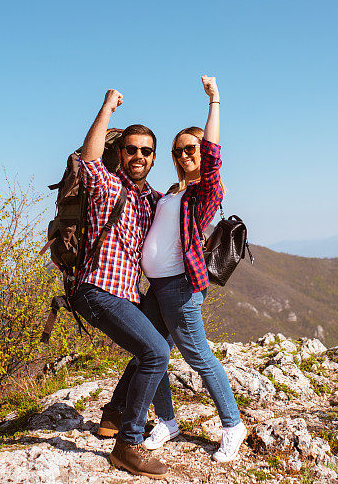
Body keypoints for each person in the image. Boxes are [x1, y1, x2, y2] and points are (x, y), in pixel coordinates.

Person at [100, 76, 247, 463]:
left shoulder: (204, 191)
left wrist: (214, 101)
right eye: (178, 151)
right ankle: (167, 421)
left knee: (198, 356)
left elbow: (213, 158)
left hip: (181, 287)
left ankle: (232, 425)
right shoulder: (171, 192)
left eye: (191, 149)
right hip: (158, 288)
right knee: (152, 352)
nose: (184, 156)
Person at [71, 89, 170, 479]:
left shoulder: (152, 200)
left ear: (153, 157)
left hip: (127, 294)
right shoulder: (107, 186)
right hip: (97, 290)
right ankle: (127, 444)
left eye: (146, 151)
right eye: (131, 149)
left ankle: (113, 414)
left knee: (159, 335)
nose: (139, 157)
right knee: (156, 354)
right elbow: (88, 158)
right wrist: (107, 107)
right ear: (121, 153)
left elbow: (183, 205)